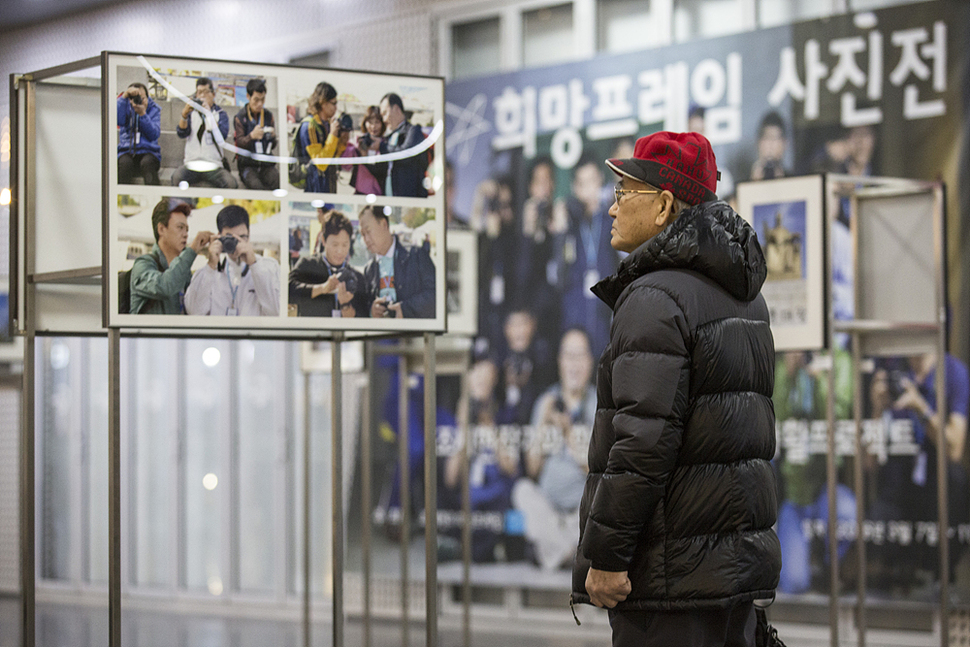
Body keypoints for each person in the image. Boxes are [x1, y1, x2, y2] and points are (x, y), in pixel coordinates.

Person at [571, 131, 779, 645]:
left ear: (664, 204)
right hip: (731, 582)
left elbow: (642, 443)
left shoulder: (653, 297)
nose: (612, 208)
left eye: (624, 193)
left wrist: (607, 556)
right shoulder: (745, 298)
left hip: (670, 588)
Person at [867, 353, 970, 593]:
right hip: (898, 485)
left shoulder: (953, 372)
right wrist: (876, 411)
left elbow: (954, 449)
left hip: (936, 484)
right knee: (875, 521)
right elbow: (869, 463)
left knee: (956, 480)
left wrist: (920, 408)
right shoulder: (892, 368)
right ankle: (892, 576)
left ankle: (940, 575)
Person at [513, 327, 595, 570]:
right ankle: (568, 552)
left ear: (590, 362)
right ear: (560, 361)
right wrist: (542, 424)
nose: (574, 364)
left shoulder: (599, 404)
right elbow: (532, 470)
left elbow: (596, 467)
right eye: (569, 356)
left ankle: (553, 551)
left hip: (580, 514)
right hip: (549, 511)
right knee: (522, 491)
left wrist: (568, 432)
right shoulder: (546, 401)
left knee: (604, 499)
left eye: (580, 356)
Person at [555, 155, 618, 357]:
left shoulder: (613, 221)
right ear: (575, 188)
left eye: (592, 181)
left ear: (600, 180)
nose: (589, 190)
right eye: (582, 184)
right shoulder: (570, 226)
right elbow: (558, 277)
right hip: (574, 319)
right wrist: (560, 231)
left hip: (604, 319)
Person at [184, 205, 280, 316]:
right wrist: (210, 266)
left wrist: (254, 265)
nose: (236, 243)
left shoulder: (269, 268)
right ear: (219, 236)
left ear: (249, 235)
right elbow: (194, 312)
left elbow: (276, 312)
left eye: (242, 237)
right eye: (230, 238)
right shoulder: (206, 273)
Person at [129, 199, 213, 315]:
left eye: (187, 229)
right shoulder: (143, 264)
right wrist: (192, 250)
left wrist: (213, 263)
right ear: (161, 229)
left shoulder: (184, 271)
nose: (185, 234)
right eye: (180, 227)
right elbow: (165, 286)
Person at [359, 205, 436, 319]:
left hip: (412, 335)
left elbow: (436, 295)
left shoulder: (416, 255)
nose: (366, 239)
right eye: (363, 234)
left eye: (368, 231)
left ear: (384, 224)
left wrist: (405, 310)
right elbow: (363, 306)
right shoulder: (368, 269)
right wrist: (372, 310)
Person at [288, 210, 367, 317]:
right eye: (335, 244)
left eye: (345, 245)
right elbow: (287, 291)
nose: (340, 251)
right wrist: (322, 288)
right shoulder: (307, 265)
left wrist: (346, 307)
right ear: (323, 240)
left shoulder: (357, 277)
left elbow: (365, 316)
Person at [171, 77, 238, 189]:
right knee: (176, 178)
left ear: (213, 94)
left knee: (231, 183)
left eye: (205, 92)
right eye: (199, 92)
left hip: (214, 165)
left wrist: (209, 115)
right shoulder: (191, 114)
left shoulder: (220, 114)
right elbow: (181, 133)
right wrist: (184, 115)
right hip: (191, 164)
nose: (202, 96)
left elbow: (221, 136)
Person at [295, 81, 347, 194]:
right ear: (323, 103)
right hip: (316, 187)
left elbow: (333, 157)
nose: (336, 107)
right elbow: (321, 163)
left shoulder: (327, 124)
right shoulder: (310, 126)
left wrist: (342, 141)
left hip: (329, 184)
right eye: (333, 103)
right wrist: (333, 135)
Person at [379, 92, 429, 197]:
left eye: (385, 113)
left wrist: (381, 146)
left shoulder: (413, 131)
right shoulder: (388, 137)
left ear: (396, 109)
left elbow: (406, 154)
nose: (383, 120)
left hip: (408, 196)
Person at [233, 78, 279, 190]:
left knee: (277, 181)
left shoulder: (268, 115)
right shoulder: (240, 117)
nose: (260, 104)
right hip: (247, 165)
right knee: (256, 186)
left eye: (263, 100)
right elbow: (239, 143)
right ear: (248, 97)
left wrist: (273, 138)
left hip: (266, 164)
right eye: (256, 100)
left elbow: (272, 145)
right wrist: (251, 136)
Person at [117, 82, 161, 185]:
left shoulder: (154, 109)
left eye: (142, 98)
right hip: (126, 151)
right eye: (135, 98)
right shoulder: (125, 107)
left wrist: (143, 115)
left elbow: (153, 134)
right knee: (124, 165)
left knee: (147, 164)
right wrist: (124, 98)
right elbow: (118, 120)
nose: (139, 101)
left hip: (149, 152)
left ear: (147, 98)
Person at [347, 105, 387, 195]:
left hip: (378, 193)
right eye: (370, 122)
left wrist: (380, 147)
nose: (373, 126)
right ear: (365, 123)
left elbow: (382, 170)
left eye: (377, 122)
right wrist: (356, 148)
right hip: (360, 192)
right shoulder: (359, 141)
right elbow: (346, 165)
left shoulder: (386, 144)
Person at [749, 111, 790, 181]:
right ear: (758, 143)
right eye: (767, 137)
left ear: (785, 143)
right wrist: (753, 182)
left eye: (775, 138)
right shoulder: (744, 179)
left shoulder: (794, 179)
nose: (771, 144)